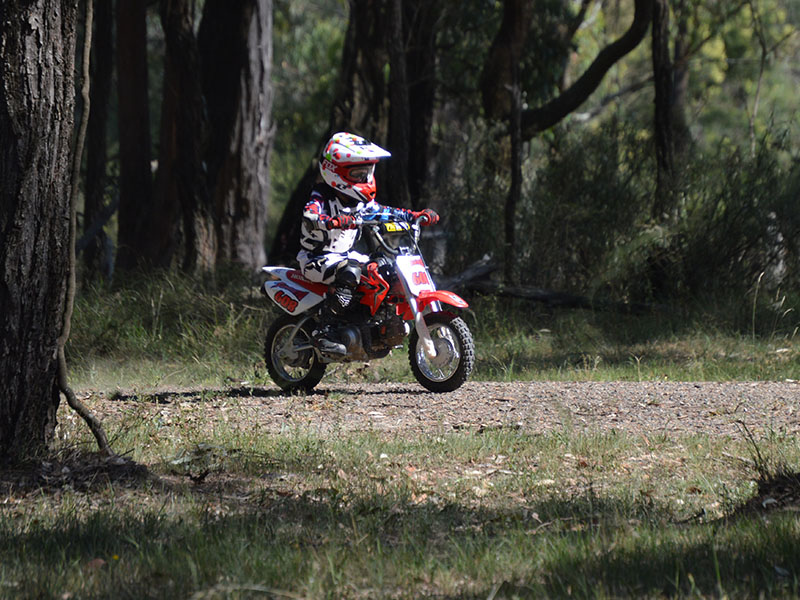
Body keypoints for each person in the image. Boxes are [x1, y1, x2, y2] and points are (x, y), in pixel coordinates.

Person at [298, 131, 439, 355]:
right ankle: (324, 331)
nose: (365, 179)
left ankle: (373, 321)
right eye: (358, 174)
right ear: (336, 171)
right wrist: (331, 221)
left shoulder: (360, 202)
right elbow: (310, 216)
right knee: (350, 272)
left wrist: (414, 216)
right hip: (317, 259)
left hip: (345, 256)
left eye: (367, 173)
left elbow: (384, 212)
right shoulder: (321, 196)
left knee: (384, 267)